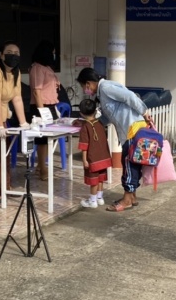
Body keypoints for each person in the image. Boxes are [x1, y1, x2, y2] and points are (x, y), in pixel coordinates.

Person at [76, 67, 152, 212]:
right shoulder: (102, 92)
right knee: (133, 164)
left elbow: (129, 96)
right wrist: (88, 122)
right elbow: (108, 116)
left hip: (132, 129)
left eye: (83, 86)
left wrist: (144, 112)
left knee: (128, 165)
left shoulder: (105, 87)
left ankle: (127, 200)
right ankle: (132, 197)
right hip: (129, 130)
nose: (85, 90)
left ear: (88, 83)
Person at [0, 41, 30, 202]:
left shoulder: (14, 72)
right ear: (1, 55)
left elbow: (17, 98)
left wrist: (24, 123)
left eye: (17, 53)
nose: (14, 56)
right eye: (10, 53)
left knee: (4, 156)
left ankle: (4, 188)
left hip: (2, 118)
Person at [29, 40, 60, 181]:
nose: (54, 55)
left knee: (51, 138)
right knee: (42, 140)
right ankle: (42, 169)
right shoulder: (37, 68)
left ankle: (40, 165)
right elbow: (37, 91)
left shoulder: (47, 67)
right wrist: (42, 112)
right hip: (41, 107)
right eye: (52, 53)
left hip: (51, 106)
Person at [76, 98, 111, 208]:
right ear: (95, 111)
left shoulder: (85, 127)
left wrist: (84, 159)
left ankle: (92, 201)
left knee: (93, 180)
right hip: (104, 156)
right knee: (101, 178)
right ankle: (100, 198)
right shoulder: (100, 123)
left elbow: (84, 145)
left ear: (81, 113)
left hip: (93, 158)